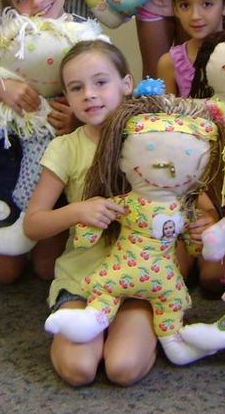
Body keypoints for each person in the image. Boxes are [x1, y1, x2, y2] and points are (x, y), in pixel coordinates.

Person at [21, 40, 157, 387]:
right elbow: (33, 224)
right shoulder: (65, 148)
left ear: (126, 84)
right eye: (76, 88)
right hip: (82, 281)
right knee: (78, 369)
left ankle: (141, 328)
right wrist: (77, 211)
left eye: (100, 82)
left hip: (139, 278)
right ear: (66, 97)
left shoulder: (153, 138)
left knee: (122, 368)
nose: (90, 95)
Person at [0, 0, 77, 284]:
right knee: (5, 274)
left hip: (57, 160)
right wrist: (1, 90)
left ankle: (42, 232)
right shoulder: (5, 40)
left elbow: (104, 100)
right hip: (10, 156)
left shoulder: (83, 35)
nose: (36, 2)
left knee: (47, 269)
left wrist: (75, 118)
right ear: (10, 5)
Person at [157, 0, 225, 97]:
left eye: (207, 4)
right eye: (185, 5)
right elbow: (166, 111)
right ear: (176, 9)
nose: (195, 16)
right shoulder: (169, 63)